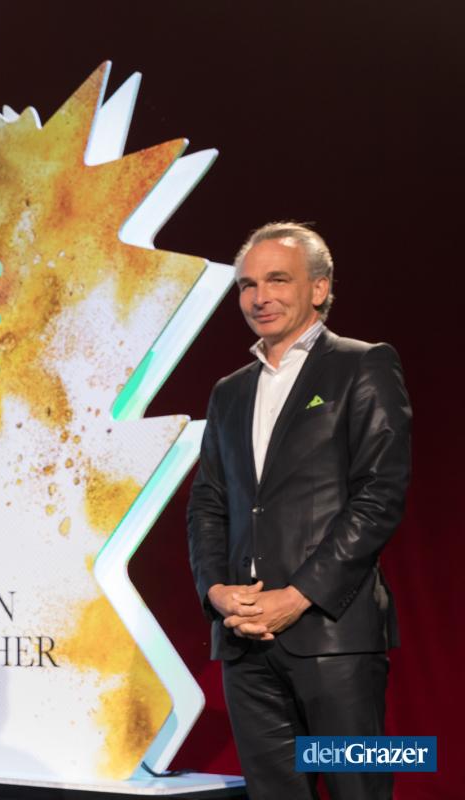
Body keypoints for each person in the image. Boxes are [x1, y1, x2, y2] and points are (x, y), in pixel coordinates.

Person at [187, 222, 411, 799]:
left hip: (335, 639)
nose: (260, 297)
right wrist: (216, 591)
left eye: (278, 280)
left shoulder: (363, 365)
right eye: (247, 285)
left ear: (319, 288)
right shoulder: (230, 390)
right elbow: (209, 502)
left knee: (356, 788)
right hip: (244, 639)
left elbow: (379, 494)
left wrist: (298, 595)